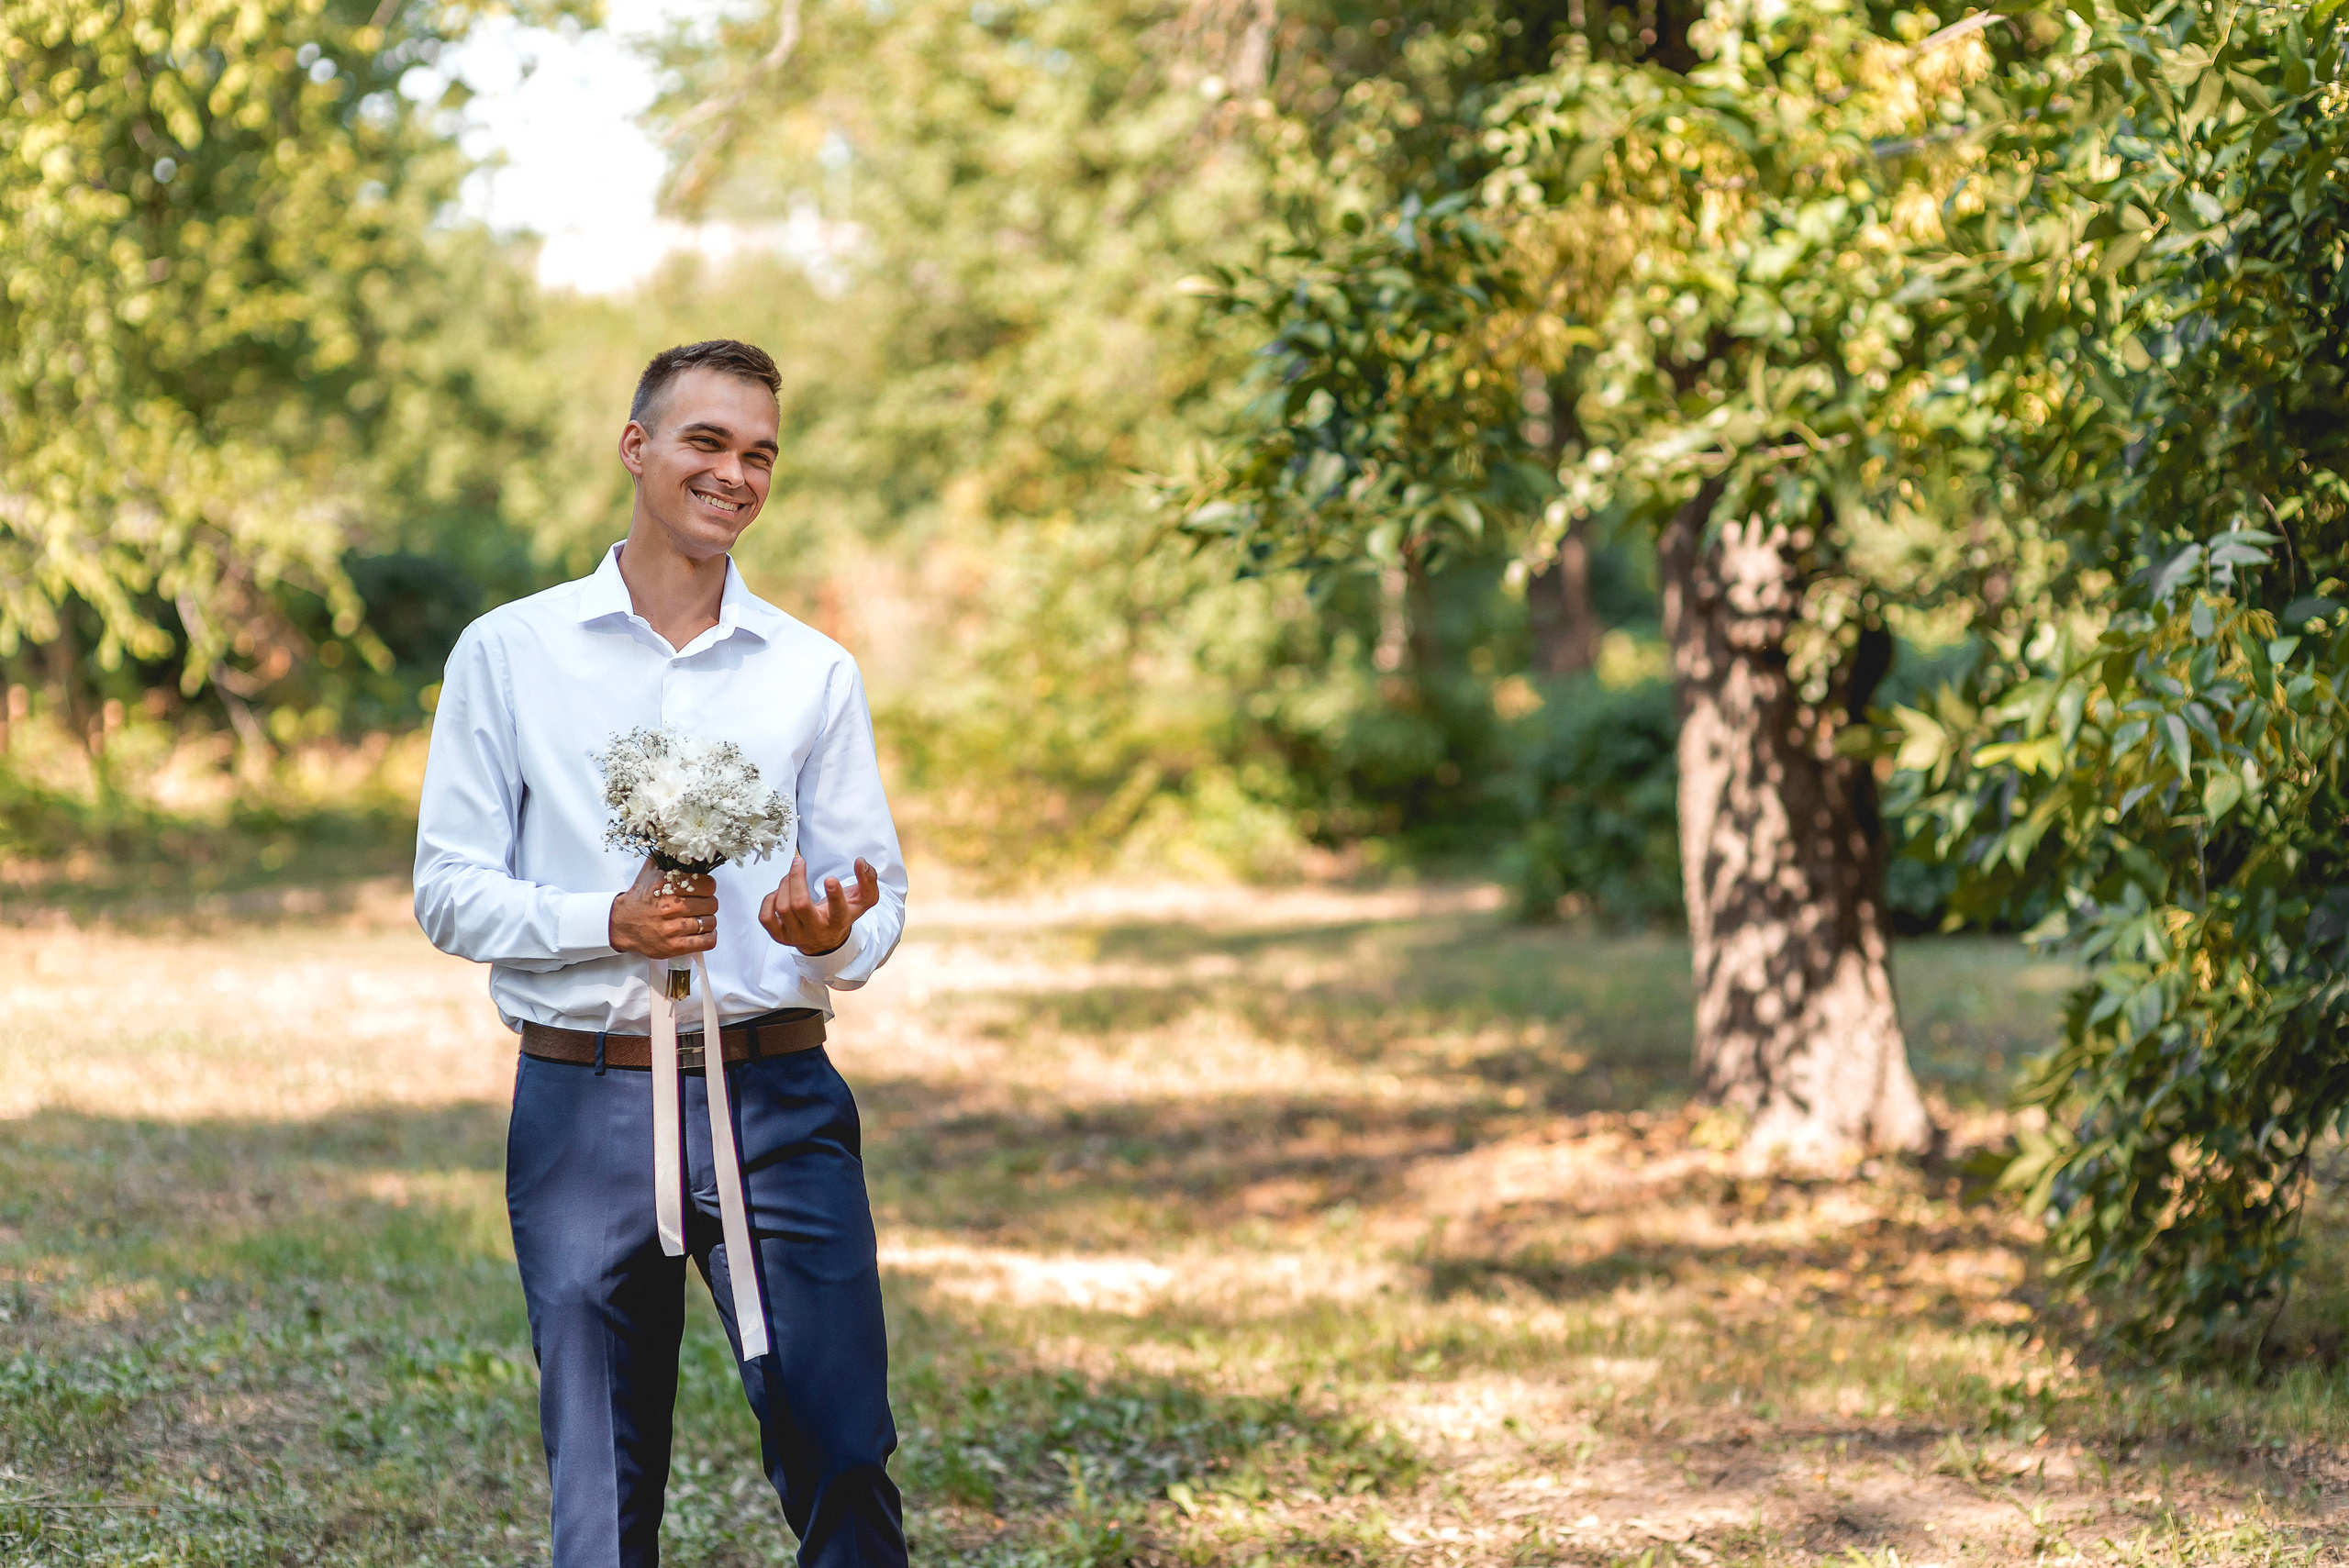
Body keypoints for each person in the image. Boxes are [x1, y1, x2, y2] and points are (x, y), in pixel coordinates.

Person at [413, 339, 909, 1568]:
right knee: (602, 1480)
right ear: (637, 448)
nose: (736, 474)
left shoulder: (812, 670)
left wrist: (835, 935)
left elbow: (879, 890)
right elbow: (449, 891)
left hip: (777, 1095)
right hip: (585, 1100)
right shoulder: (509, 652)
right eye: (708, 441)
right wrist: (608, 922)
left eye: (760, 454)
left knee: (840, 1437)